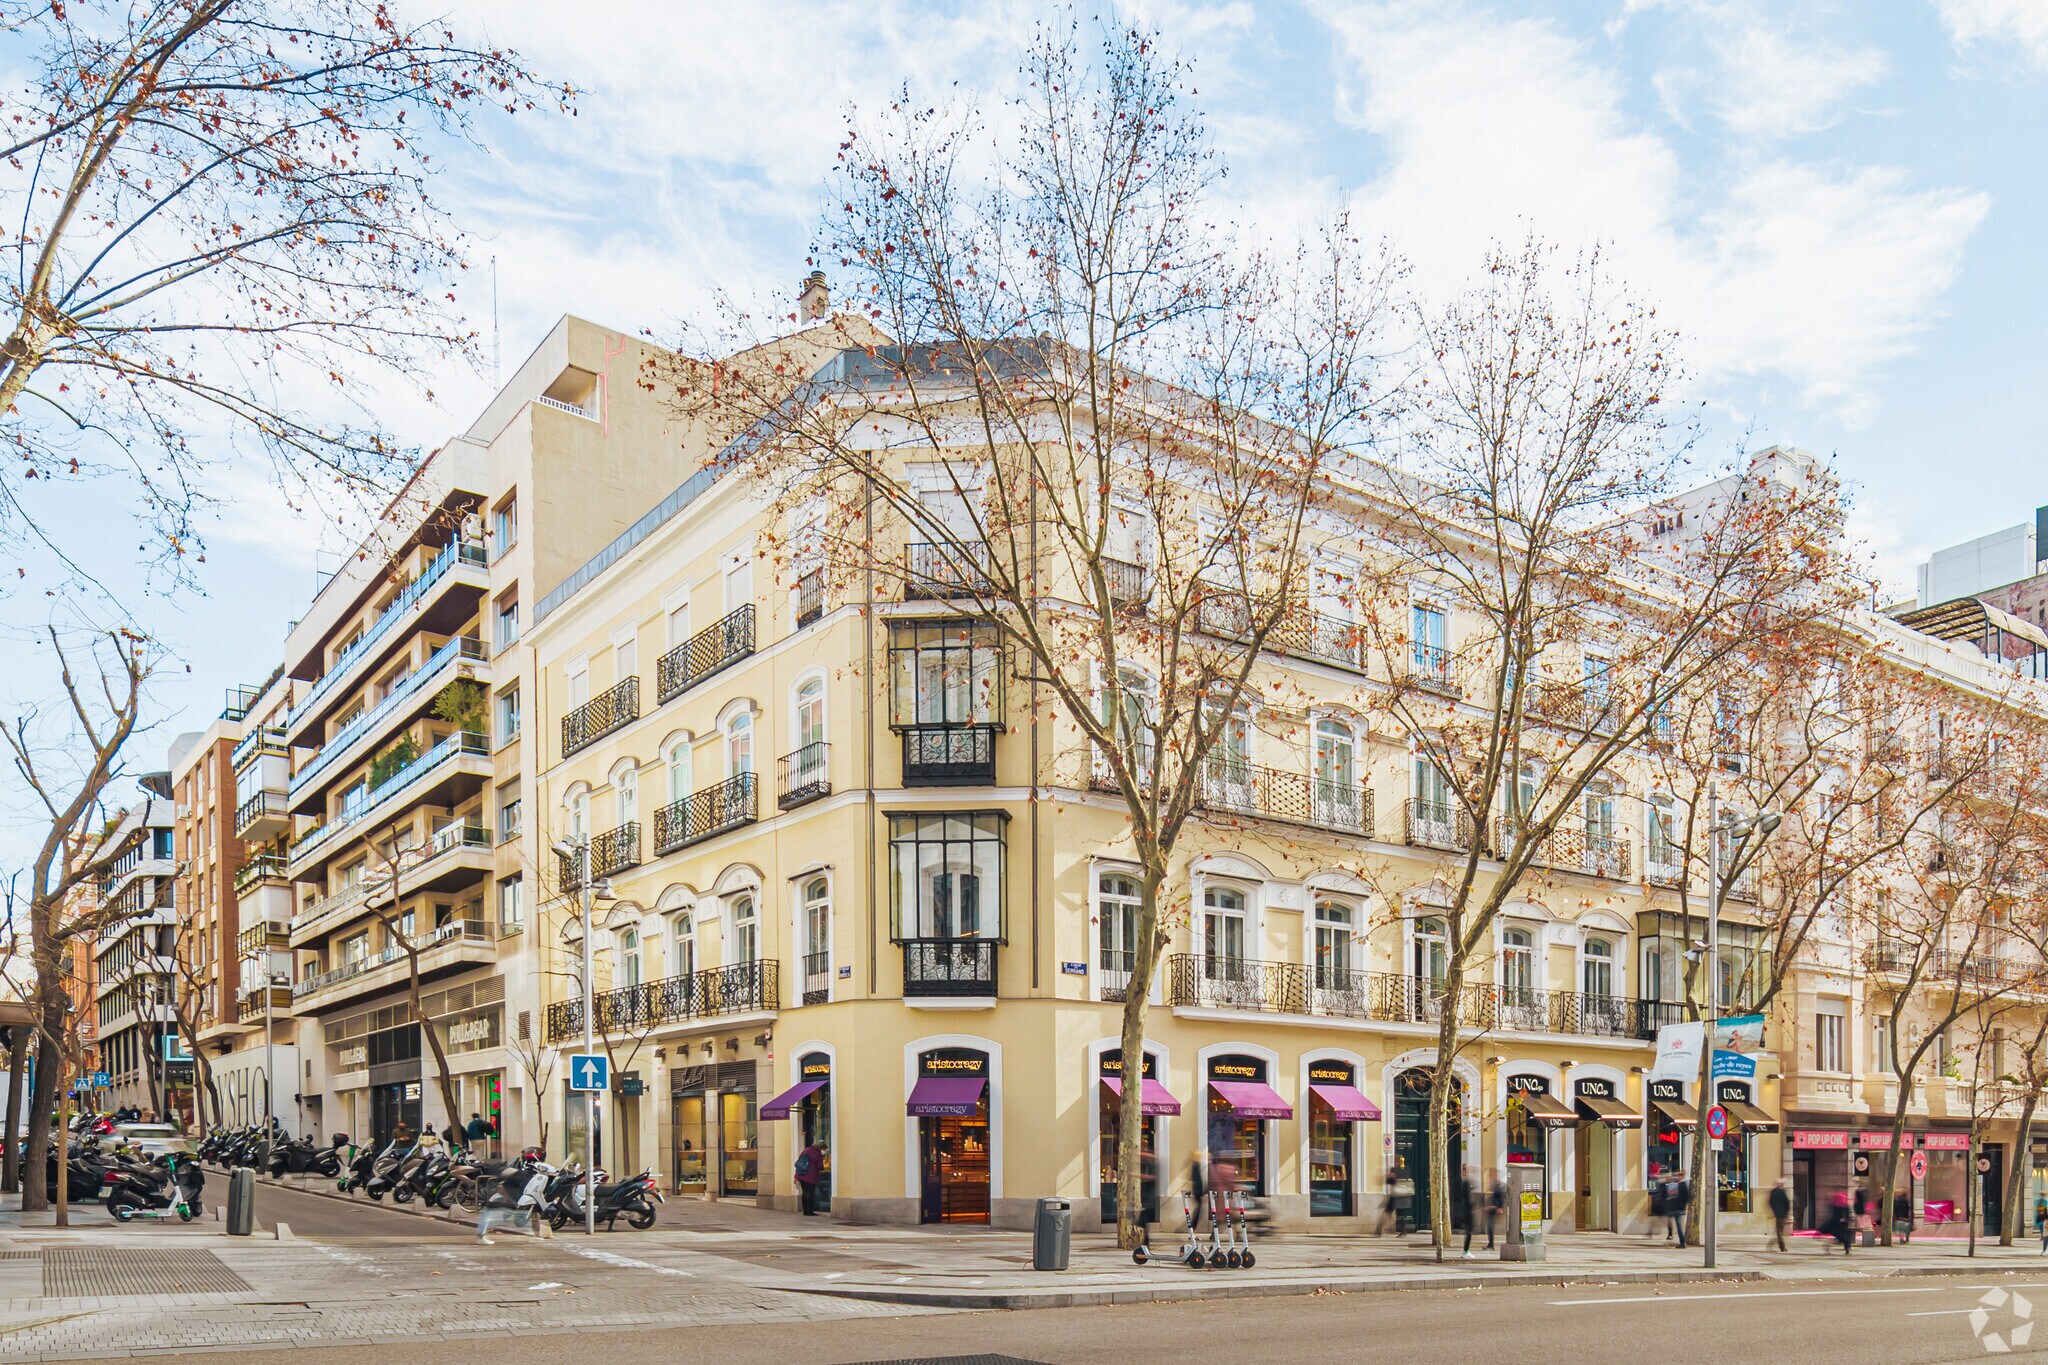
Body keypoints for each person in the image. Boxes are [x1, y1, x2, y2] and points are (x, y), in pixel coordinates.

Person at [794, 1138, 825, 1215]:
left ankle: (805, 1211)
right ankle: (810, 1211)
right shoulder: (817, 1153)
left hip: (802, 1175)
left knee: (804, 1193)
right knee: (810, 1193)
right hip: (811, 1176)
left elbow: (799, 1161)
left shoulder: (806, 1150)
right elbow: (820, 1166)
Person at [1667, 1176, 1690, 1250]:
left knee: (1679, 1226)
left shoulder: (1680, 1186)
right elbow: (1687, 1198)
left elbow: (1676, 1196)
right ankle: (1681, 1241)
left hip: (1677, 1208)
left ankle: (1682, 1242)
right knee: (1677, 1225)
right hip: (1679, 1208)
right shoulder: (1683, 1186)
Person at [1768, 1180, 1791, 1252]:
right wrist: (1786, 1213)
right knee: (1779, 1231)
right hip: (1782, 1214)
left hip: (1777, 1214)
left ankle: (1776, 1245)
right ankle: (1782, 1246)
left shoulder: (1773, 1192)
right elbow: (1787, 1203)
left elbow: (1770, 1202)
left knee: (1778, 1230)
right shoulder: (1782, 1192)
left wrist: (1774, 1211)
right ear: (1781, 1184)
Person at [1486, 1173, 1506, 1250]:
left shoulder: (1497, 1188)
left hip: (1494, 1209)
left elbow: (1500, 1198)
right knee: (1490, 1227)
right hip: (1494, 1209)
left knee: (1490, 1227)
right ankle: (1490, 1244)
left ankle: (1491, 1245)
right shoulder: (1497, 1187)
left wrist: (1499, 1208)